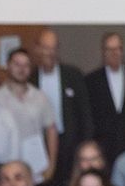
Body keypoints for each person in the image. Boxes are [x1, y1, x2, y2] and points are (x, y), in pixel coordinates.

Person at [0, 45, 58, 183]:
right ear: (8, 65)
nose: (21, 69)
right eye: (17, 64)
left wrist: (51, 164)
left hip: (36, 167)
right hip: (7, 167)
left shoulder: (40, 97)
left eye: (26, 65)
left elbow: (51, 129)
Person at [32, 29, 90, 161]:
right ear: (37, 49)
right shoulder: (31, 79)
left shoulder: (73, 75)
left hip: (71, 144)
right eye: (46, 48)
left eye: (54, 48)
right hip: (41, 144)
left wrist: (84, 144)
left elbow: (85, 113)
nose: (50, 53)